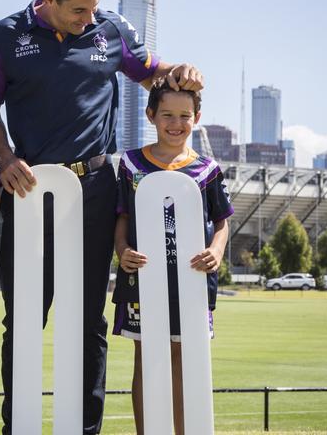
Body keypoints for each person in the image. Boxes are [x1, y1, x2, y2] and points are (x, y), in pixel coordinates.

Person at [0, 0, 204, 433]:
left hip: (97, 190)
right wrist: (5, 158)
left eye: (94, 7)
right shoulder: (4, 36)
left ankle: (86, 429)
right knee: (24, 322)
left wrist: (185, 71)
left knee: (88, 324)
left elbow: (155, 72)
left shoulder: (111, 28)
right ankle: (19, 426)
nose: (89, 17)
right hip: (31, 190)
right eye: (78, 10)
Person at [112, 80, 234, 434]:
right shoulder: (131, 165)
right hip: (143, 278)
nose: (175, 123)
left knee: (182, 359)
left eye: (184, 115)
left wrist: (215, 251)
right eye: (167, 114)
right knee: (147, 358)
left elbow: (223, 222)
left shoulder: (206, 169)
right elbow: (121, 217)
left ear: (196, 118)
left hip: (190, 281)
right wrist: (122, 251)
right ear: (151, 115)